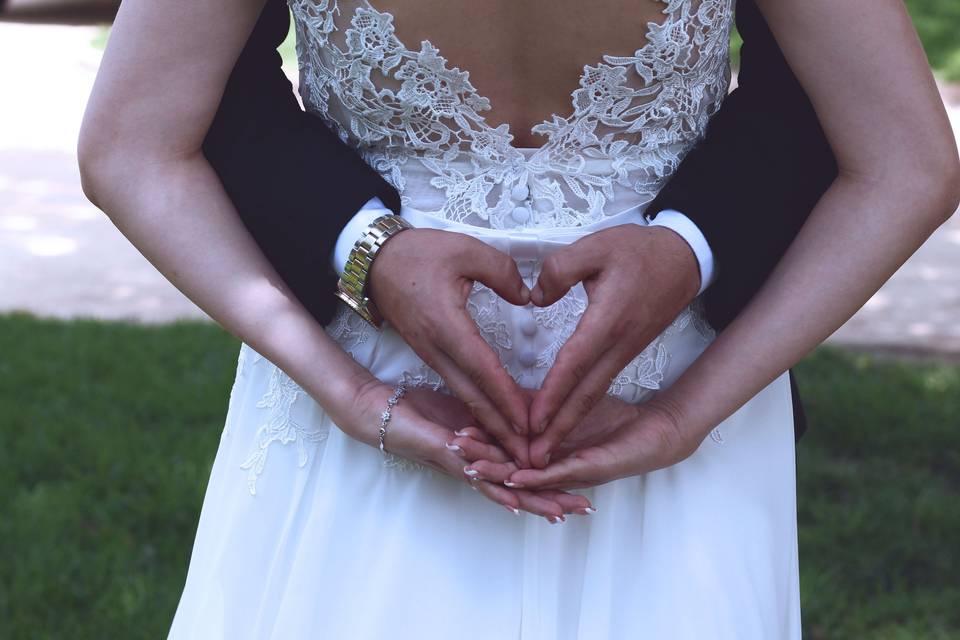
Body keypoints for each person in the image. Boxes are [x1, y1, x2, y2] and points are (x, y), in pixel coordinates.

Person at [78, 0, 959, 637]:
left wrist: (687, 301)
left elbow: (132, 145)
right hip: (592, 407)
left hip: (596, 407)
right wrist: (367, 264)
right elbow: (907, 161)